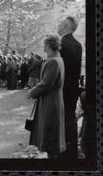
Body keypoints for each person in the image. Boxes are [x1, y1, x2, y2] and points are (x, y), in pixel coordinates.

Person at [28, 34, 66, 159]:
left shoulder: (53, 61)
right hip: (53, 101)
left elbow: (46, 84)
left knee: (50, 138)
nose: (43, 46)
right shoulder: (57, 59)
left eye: (45, 44)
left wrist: (32, 92)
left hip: (51, 103)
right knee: (52, 136)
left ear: (49, 46)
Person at [57, 16, 83, 159]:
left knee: (62, 118)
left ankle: (63, 151)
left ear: (66, 25)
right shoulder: (78, 45)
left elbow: (59, 70)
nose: (59, 26)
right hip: (72, 89)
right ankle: (71, 150)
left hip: (62, 89)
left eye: (61, 23)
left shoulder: (62, 43)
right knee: (70, 117)